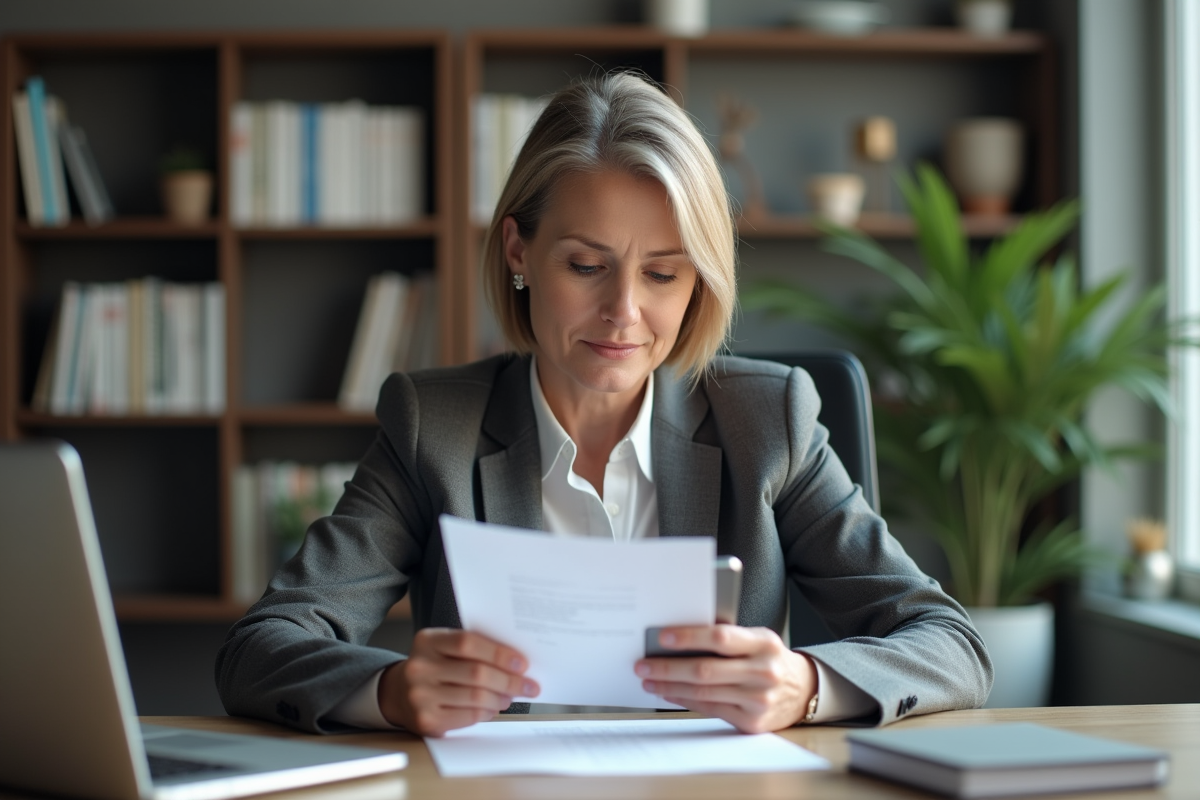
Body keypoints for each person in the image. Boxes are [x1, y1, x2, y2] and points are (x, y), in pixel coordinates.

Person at [215, 72, 991, 738]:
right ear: (519, 252)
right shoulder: (434, 428)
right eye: (587, 265)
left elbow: (949, 642)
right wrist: (391, 692)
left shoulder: (767, 422)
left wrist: (805, 685)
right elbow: (262, 647)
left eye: (663, 274)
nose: (624, 311)